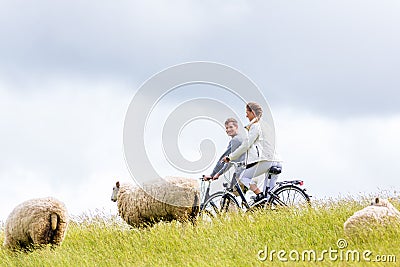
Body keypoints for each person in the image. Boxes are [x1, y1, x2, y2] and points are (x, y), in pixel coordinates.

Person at [223, 102, 282, 204]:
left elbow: (246, 145)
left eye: (247, 112)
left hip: (266, 160)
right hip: (277, 160)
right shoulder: (265, 126)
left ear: (253, 112)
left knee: (243, 177)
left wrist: (230, 157)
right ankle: (279, 208)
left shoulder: (255, 126)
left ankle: (259, 195)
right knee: (269, 197)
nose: (246, 115)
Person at [203, 118, 246, 189]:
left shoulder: (236, 140)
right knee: (234, 194)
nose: (228, 130)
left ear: (236, 127)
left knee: (230, 195)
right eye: (227, 128)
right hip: (248, 171)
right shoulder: (242, 138)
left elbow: (224, 159)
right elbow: (232, 160)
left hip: (242, 173)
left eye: (231, 127)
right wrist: (219, 173)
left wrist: (213, 174)